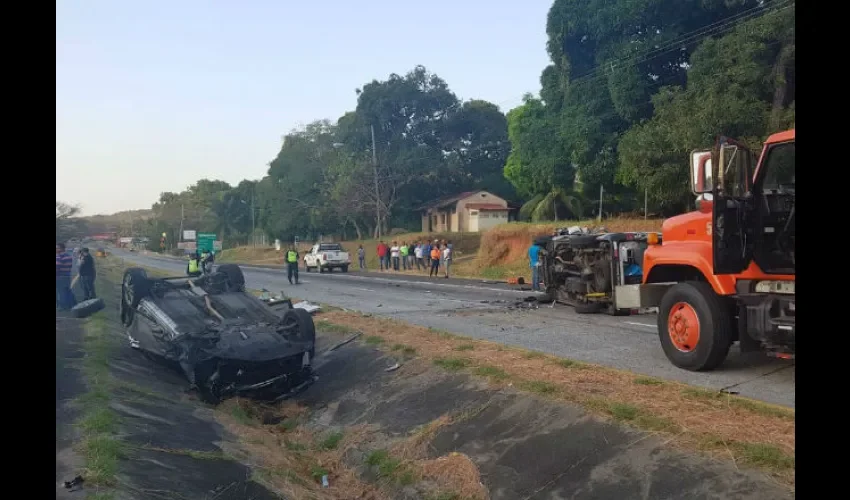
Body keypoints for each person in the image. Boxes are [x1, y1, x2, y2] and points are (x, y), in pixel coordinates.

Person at [56, 242, 75, 310]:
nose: (56, 249)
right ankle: (71, 305)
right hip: (67, 276)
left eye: (57, 248)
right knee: (67, 291)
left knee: (60, 292)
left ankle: (62, 306)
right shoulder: (68, 256)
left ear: (61, 248)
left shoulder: (59, 256)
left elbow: (57, 267)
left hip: (60, 277)